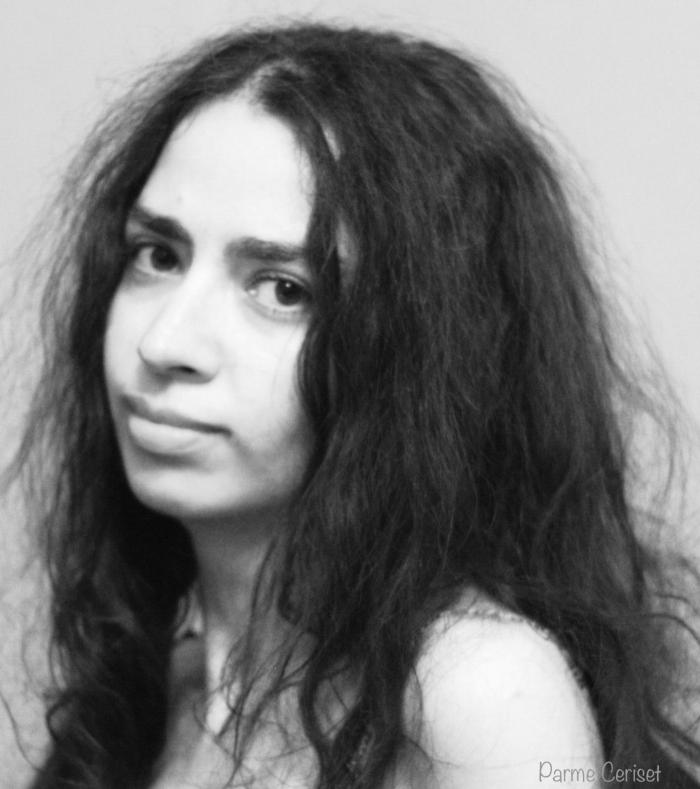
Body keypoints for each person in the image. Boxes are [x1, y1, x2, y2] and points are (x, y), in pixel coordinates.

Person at [7, 21, 700, 788]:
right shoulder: (164, 689)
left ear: (418, 353)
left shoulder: (476, 693)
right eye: (158, 255)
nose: (164, 341)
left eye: (283, 289)